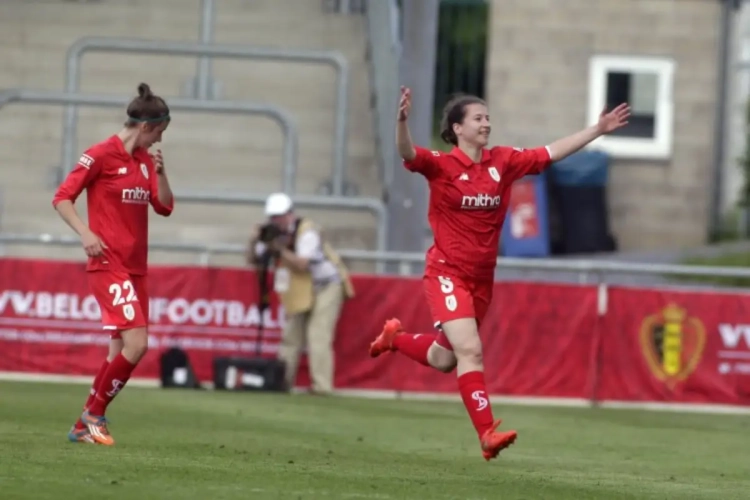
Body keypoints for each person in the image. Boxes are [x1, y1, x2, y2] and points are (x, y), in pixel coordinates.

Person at [369, 87, 630, 461]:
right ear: (457, 128)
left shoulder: (502, 162)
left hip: (481, 279)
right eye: (478, 118)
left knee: (446, 360)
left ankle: (395, 338)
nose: (486, 123)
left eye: (488, 117)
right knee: (471, 351)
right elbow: (407, 153)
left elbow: (550, 152)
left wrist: (598, 129)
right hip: (447, 272)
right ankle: (487, 434)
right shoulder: (442, 166)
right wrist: (401, 122)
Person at [52, 83, 174, 446]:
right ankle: (95, 416)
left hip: (137, 269)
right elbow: (62, 199)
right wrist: (85, 233)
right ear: (145, 127)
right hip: (109, 264)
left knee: (119, 351)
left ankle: (81, 424)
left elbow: (164, 207)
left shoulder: (143, 161)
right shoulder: (100, 155)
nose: (157, 142)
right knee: (138, 345)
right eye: (159, 134)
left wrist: (162, 172)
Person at [247, 193, 355, 394]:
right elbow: (253, 259)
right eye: (273, 217)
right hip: (301, 289)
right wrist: (254, 241)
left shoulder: (307, 231)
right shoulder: (272, 235)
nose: (276, 221)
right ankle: (281, 383)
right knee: (291, 336)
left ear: (290, 214)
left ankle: (321, 387)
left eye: (279, 216)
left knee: (318, 335)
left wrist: (278, 250)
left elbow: (302, 264)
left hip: (326, 286)